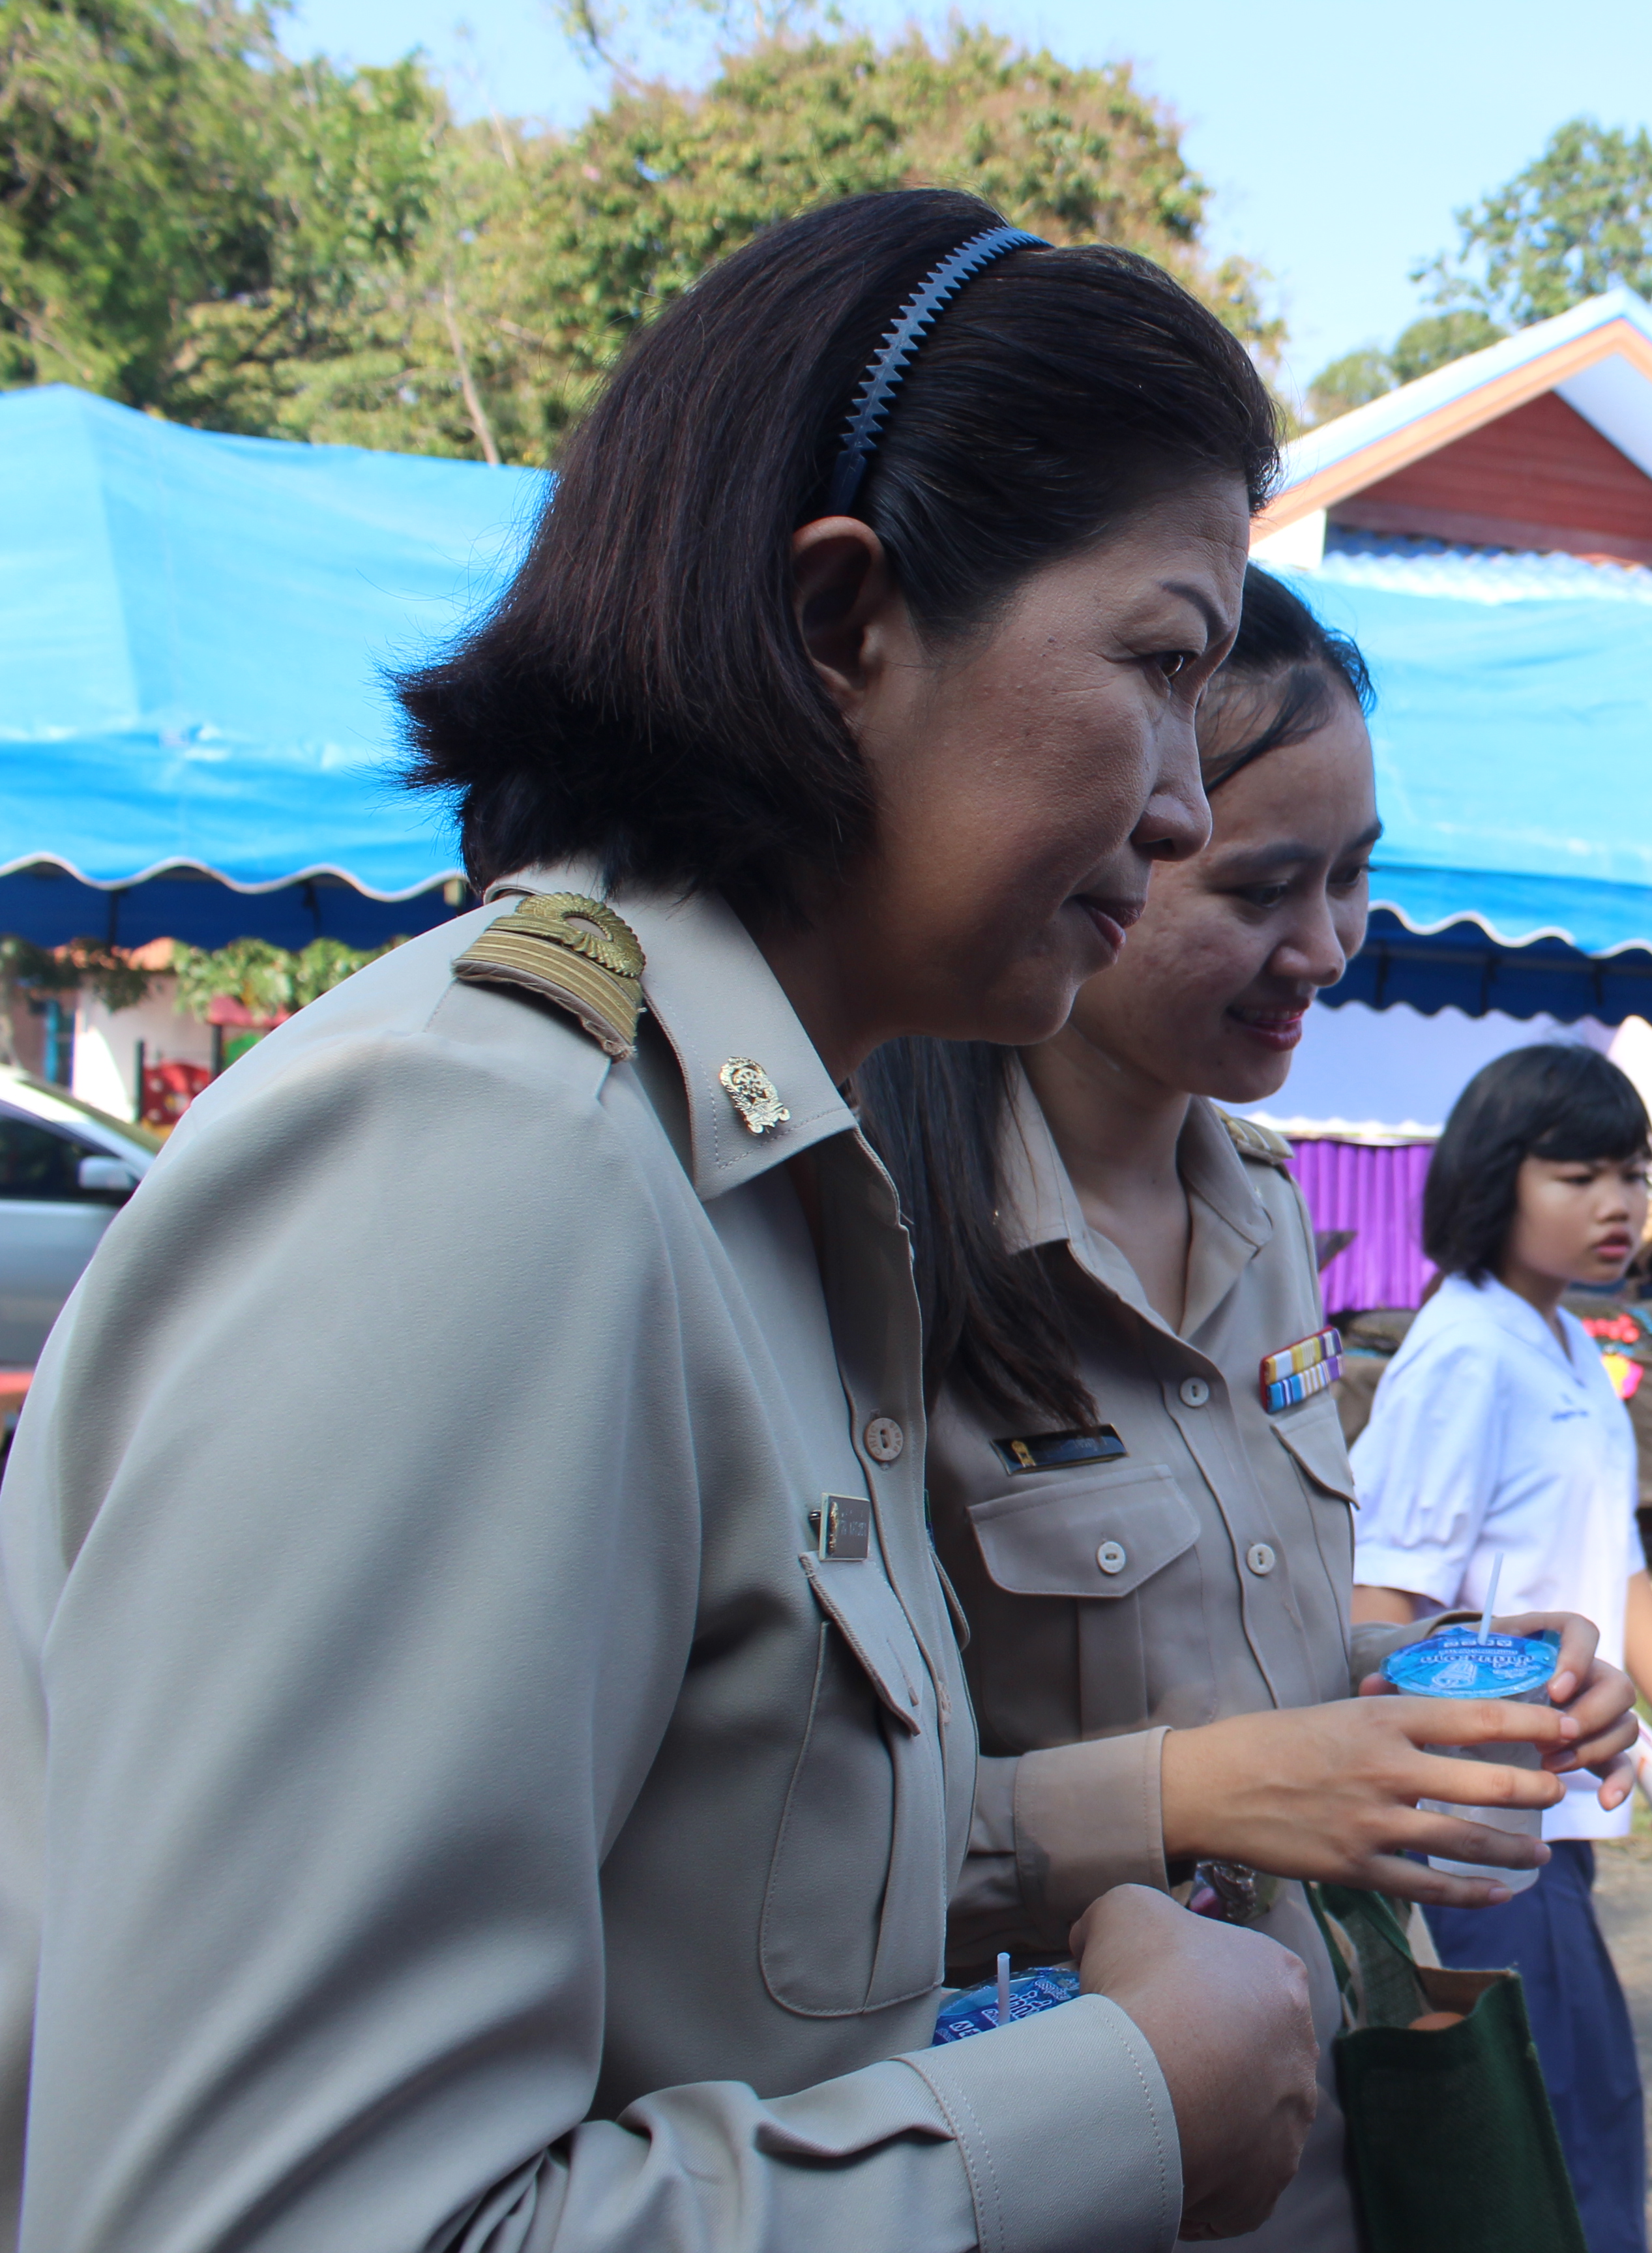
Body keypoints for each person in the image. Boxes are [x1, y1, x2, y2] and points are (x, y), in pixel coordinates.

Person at [0, 189, 1325, 2248]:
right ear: (841, 625)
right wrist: (1112, 2110)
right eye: (1160, 664)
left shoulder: (766, 1184)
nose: (1180, 803)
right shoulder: (490, 1171)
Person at [858, 568, 1643, 2253]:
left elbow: (1254, 1652)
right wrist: (1205, 1793)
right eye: (1265, 886)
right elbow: (818, 1852)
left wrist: (1455, 1695)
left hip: (1322, 2121)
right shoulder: (882, 1243)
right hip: (1055, 2148)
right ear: (1101, 840)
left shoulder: (1269, 1213)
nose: (1330, 950)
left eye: (1355, 880)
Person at [1349, 1046, 1652, 2253]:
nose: (1618, 1204)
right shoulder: (1463, 1354)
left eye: (1633, 1174)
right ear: (1497, 1180)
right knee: (1538, 2143)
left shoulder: (1559, 1339)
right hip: (1487, 1826)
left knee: (1582, 2115)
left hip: (1563, 1811)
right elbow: (1382, 1600)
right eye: (1578, 1175)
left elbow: (1607, 1558)